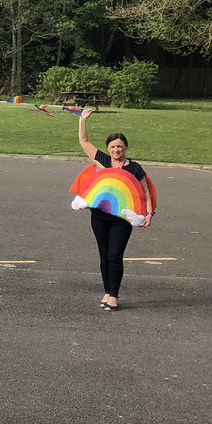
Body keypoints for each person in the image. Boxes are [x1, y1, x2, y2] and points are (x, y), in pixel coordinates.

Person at [77, 108, 154, 311]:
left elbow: (145, 193)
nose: (116, 150)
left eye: (120, 146)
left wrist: (149, 213)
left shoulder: (134, 168)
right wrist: (83, 120)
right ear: (108, 148)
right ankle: (107, 291)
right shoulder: (102, 161)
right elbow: (84, 142)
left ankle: (114, 295)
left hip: (122, 219)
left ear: (125, 148)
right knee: (104, 255)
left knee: (115, 255)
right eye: (112, 146)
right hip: (100, 216)